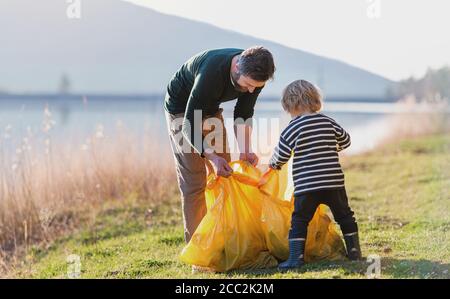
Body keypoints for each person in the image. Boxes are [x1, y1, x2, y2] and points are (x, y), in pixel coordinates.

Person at [164, 46, 275, 243]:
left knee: (225, 174)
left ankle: (224, 241)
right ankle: (198, 250)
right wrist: (211, 156)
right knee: (194, 183)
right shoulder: (212, 72)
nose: (251, 90)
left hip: (210, 108)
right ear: (237, 67)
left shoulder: (256, 75)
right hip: (181, 112)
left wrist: (245, 150)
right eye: (249, 84)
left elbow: (243, 114)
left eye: (256, 87)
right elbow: (190, 123)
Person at [268, 79, 362, 270]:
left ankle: (296, 258)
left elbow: (281, 155)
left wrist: (273, 165)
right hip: (334, 183)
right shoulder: (327, 121)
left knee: (300, 220)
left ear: (290, 105)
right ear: (315, 100)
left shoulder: (292, 128)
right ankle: (354, 253)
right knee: (345, 216)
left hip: (307, 186)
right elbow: (346, 140)